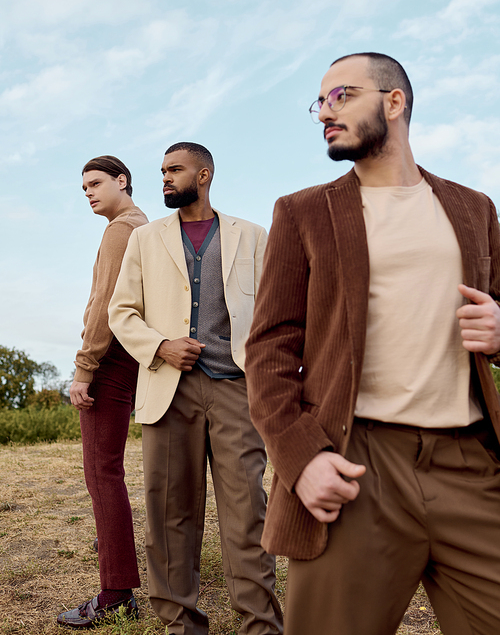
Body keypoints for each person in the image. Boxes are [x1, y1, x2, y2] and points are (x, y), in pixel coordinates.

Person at [245, 53, 500, 635]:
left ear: (394, 101)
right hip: (356, 462)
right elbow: (268, 348)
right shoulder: (304, 212)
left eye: (343, 96)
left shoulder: (473, 208)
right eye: (321, 102)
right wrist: (299, 457)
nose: (324, 114)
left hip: (471, 463)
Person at [108, 142, 283, 635]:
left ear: (203, 175)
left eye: (174, 169)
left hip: (236, 389)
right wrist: (160, 344)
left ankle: (261, 625)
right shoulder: (144, 239)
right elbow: (121, 312)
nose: (165, 177)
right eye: (162, 170)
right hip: (169, 391)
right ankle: (181, 626)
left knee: (248, 512)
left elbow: (273, 315)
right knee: (170, 517)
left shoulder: (252, 236)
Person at [57, 156, 148, 629]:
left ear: (122, 181)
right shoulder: (143, 226)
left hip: (110, 359)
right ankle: (112, 547)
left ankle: (116, 595)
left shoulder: (120, 230)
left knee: (101, 472)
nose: (89, 192)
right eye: (84, 187)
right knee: (109, 471)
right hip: (130, 359)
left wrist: (83, 368)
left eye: (96, 183)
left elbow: (105, 305)